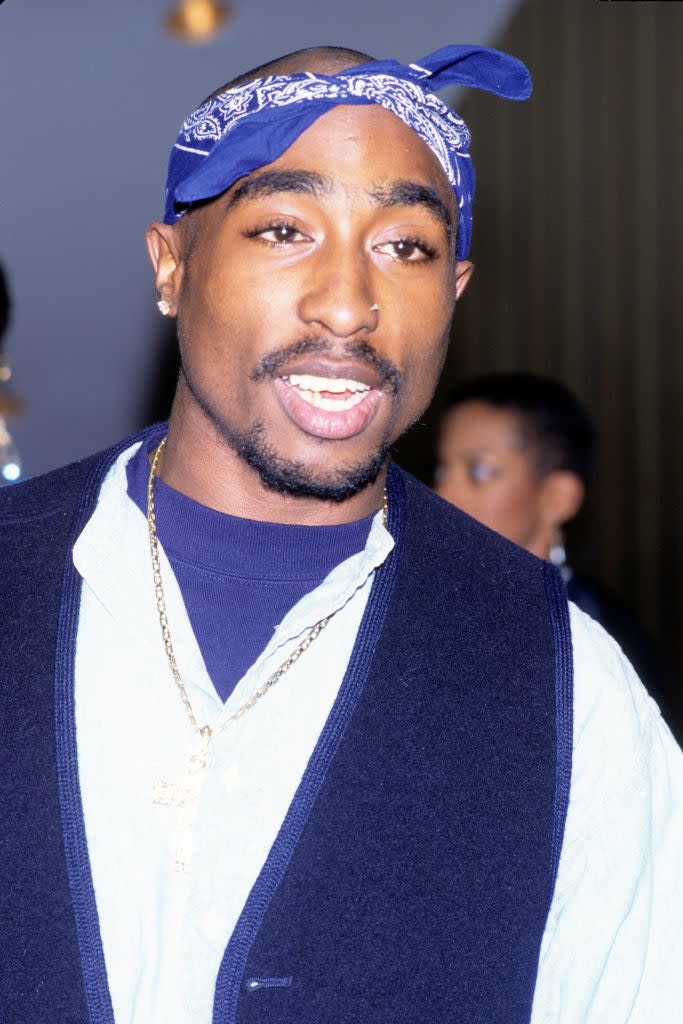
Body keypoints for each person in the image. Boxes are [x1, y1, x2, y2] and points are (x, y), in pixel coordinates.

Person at [0, 43, 681, 1024]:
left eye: (405, 246)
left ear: (453, 293)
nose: (348, 304)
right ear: (170, 266)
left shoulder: (567, 687)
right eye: (284, 228)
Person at [434, 370, 675, 723]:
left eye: (480, 472)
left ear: (557, 497)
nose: (444, 496)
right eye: (442, 471)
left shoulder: (606, 640)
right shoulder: (427, 603)